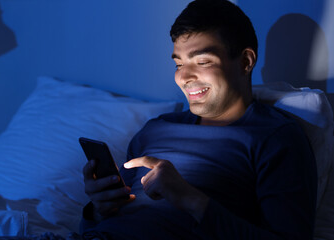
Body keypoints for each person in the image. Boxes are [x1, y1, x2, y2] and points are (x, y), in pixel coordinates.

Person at [80, 0, 317, 239]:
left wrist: (189, 199)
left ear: (245, 61)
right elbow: (115, 220)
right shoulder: (155, 129)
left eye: (202, 62)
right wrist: (100, 209)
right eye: (178, 64)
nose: (183, 77)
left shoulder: (274, 138)